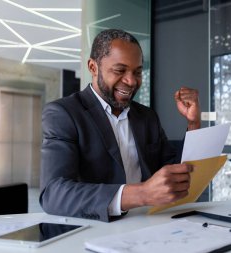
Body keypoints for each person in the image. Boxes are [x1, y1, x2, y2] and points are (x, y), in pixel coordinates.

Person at [39, 29, 201, 222]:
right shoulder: (63, 113)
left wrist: (193, 123)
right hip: (94, 230)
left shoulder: (147, 117)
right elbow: (53, 194)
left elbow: (174, 173)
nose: (131, 81)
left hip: (150, 224)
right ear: (93, 67)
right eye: (120, 70)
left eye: (138, 72)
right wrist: (140, 194)